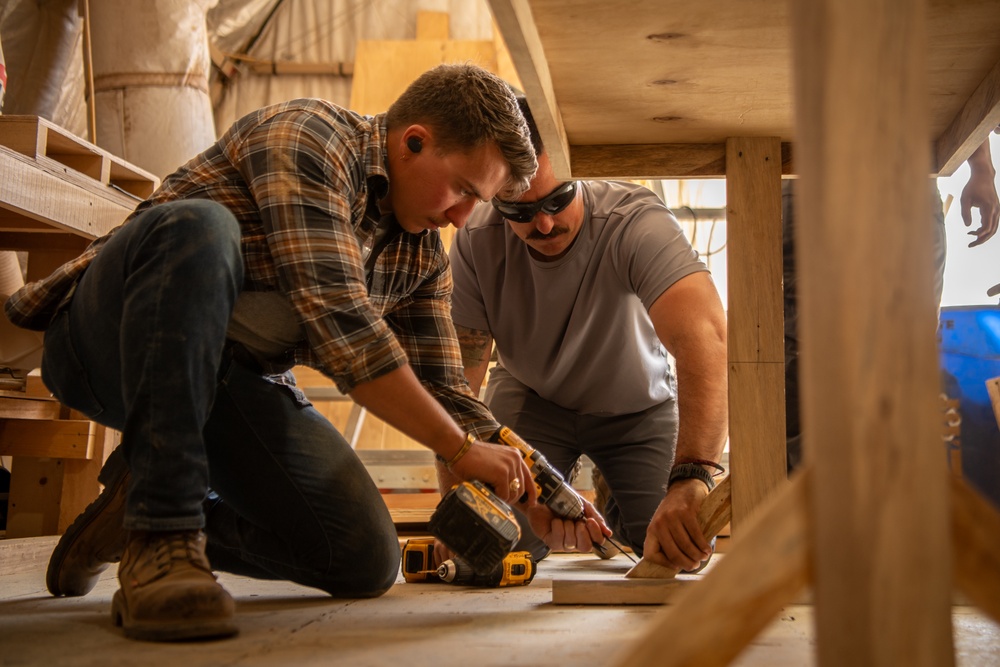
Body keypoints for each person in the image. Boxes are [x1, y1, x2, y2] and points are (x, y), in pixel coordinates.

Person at [3, 63, 601, 642]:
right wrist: (461, 450)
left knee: (364, 556)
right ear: (413, 142)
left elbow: (449, 393)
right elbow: (344, 323)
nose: (460, 217)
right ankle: (163, 538)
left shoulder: (419, 259)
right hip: (107, 347)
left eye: (479, 203)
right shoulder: (310, 138)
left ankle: (144, 508)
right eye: (464, 191)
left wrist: (546, 492)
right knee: (200, 229)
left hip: (229, 384)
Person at [440, 97, 729, 574]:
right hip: (532, 400)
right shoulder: (474, 237)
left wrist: (694, 476)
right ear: (494, 196)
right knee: (489, 550)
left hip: (635, 407)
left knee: (676, 550)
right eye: (521, 210)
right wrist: (457, 500)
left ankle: (615, 490)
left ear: (581, 177)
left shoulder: (635, 221)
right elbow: (457, 380)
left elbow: (707, 339)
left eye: (558, 200)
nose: (545, 223)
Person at [784, 131, 999, 472]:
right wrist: (981, 168)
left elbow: (961, 77)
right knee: (805, 367)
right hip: (808, 167)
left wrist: (982, 167)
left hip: (903, 175)